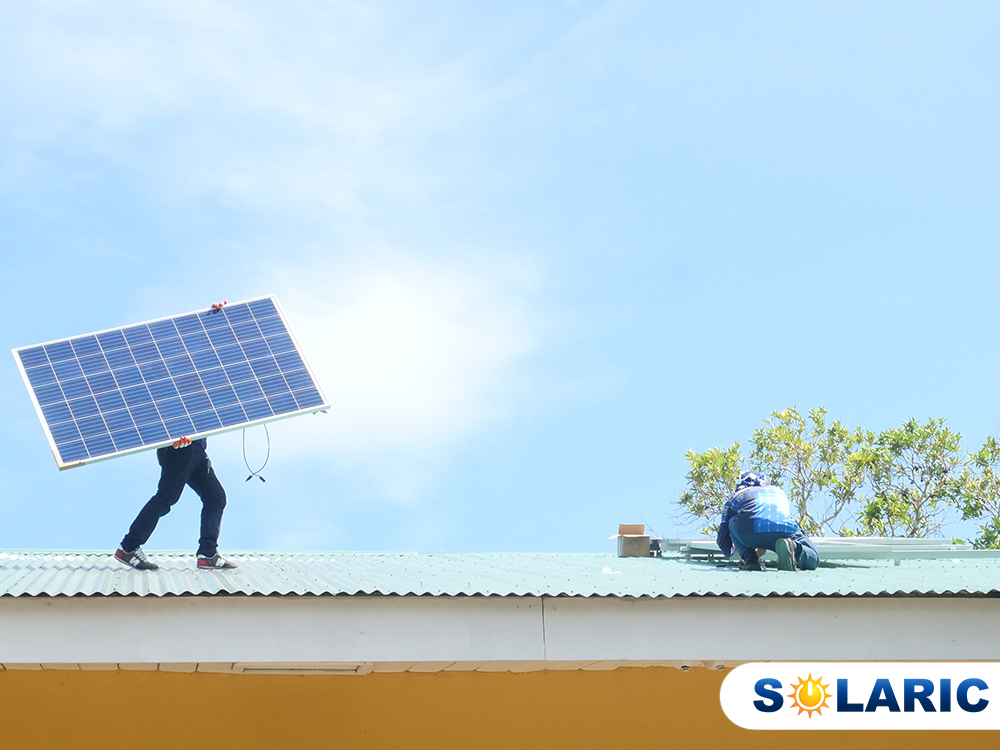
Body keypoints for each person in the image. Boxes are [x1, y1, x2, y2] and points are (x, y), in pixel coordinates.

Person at [114, 302, 237, 572]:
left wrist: (221, 317)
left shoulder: (205, 377)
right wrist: (171, 434)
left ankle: (208, 555)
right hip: (178, 446)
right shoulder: (170, 376)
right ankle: (129, 547)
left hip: (196, 449)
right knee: (167, 498)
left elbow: (221, 358)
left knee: (215, 497)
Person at [716, 471, 820, 572]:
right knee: (813, 555)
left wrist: (730, 552)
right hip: (783, 531)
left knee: (732, 521)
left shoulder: (736, 496)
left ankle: (750, 560)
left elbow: (723, 541)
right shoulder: (778, 491)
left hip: (749, 533)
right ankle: (795, 549)